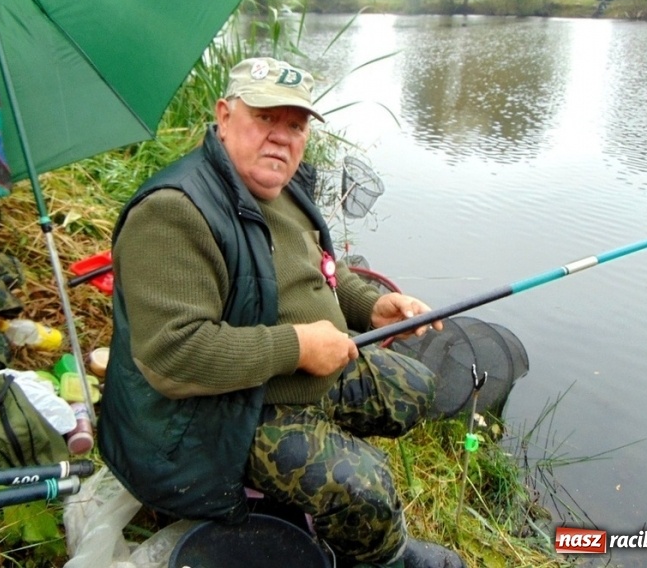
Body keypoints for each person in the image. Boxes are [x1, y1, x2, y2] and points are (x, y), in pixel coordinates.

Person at [98, 57, 465, 568]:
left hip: (287, 375)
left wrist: (370, 306)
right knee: (366, 486)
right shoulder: (175, 211)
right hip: (210, 420)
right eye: (265, 118)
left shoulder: (281, 186)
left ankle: (308, 477)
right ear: (224, 116)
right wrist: (299, 347)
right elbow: (172, 356)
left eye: (295, 125)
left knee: (415, 387)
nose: (281, 137)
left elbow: (317, 272)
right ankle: (384, 557)